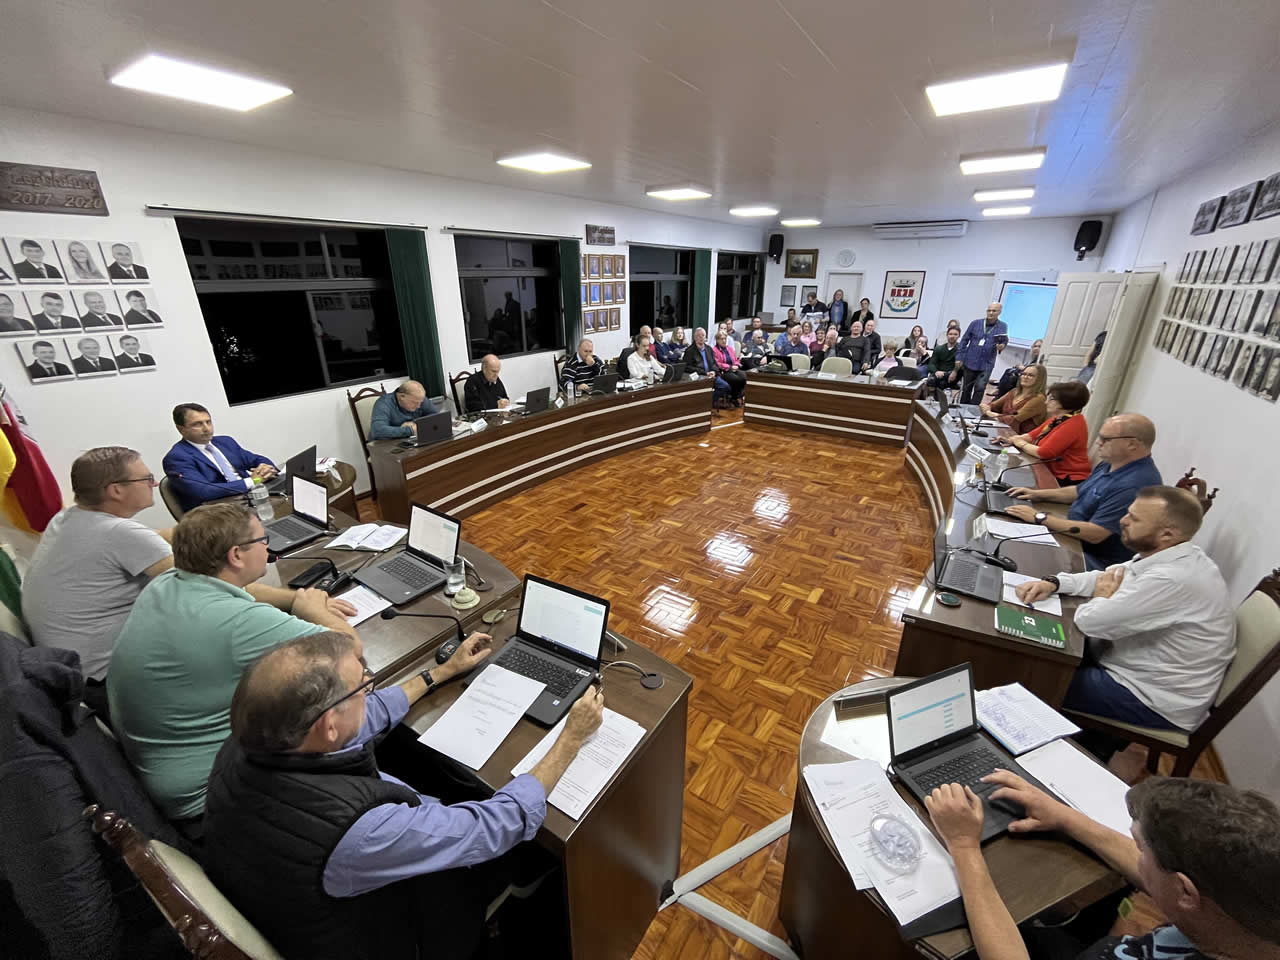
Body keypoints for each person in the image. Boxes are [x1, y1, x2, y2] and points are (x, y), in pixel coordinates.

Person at [202, 632, 605, 960]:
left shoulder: (257, 739)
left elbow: (364, 717)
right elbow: (497, 824)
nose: (370, 686)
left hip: (289, 900)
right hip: (391, 933)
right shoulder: (357, 832)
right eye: (362, 684)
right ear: (328, 725)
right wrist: (570, 739)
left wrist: (441, 672)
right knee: (527, 844)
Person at [109, 503, 359, 832]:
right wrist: (312, 607)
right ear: (236, 555)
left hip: (158, 768)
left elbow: (244, 590)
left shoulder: (168, 582)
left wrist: (294, 598)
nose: (267, 547)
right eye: (263, 540)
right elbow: (347, 648)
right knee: (332, 710)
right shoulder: (237, 622)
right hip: (207, 800)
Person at [925, 773, 1280, 960]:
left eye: (1141, 847)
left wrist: (963, 845)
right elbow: (1167, 876)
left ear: (1186, 892)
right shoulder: (1248, 902)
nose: (1135, 852)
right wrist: (1065, 817)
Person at [1014, 486, 1233, 743]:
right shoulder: (1170, 553)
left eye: (1134, 518)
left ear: (1167, 534)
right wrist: (1055, 583)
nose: (1122, 521)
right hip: (1130, 666)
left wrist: (1102, 597)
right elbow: (1107, 577)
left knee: (1030, 676)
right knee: (1034, 656)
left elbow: (1090, 622)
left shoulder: (1173, 579)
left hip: (1150, 698)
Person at [23, 446, 173, 719]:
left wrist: (200, 526)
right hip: (108, 684)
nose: (153, 484)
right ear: (116, 490)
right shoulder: (119, 532)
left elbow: (151, 539)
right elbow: (206, 581)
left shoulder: (68, 517)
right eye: (147, 478)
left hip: (68, 674)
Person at [1004, 410, 1162, 570]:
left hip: (1093, 560)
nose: (1098, 442)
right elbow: (1080, 491)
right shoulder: (1112, 462)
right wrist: (1036, 494)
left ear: (1132, 444)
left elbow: (1096, 534)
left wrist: (1039, 517)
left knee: (1018, 555)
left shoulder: (1134, 484)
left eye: (1105, 439)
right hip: (1072, 535)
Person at [162, 402, 278, 511]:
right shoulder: (177, 458)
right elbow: (204, 491)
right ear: (181, 429)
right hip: (218, 510)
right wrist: (253, 481)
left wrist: (266, 469)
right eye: (197, 424)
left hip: (251, 498)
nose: (206, 428)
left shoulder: (225, 442)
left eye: (208, 422)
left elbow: (256, 459)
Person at [956, 303, 1009, 405]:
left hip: (987, 363)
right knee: (966, 389)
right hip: (970, 361)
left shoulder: (1003, 326)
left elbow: (1004, 341)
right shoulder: (975, 323)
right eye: (989, 310)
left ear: (999, 312)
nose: (991, 313)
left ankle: (974, 409)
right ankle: (963, 408)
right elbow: (964, 340)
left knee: (980, 388)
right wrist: (959, 357)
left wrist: (1002, 346)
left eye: (994, 311)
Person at [981, 364, 1047, 432]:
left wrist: (990, 413)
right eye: (1023, 374)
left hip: (1019, 435)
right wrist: (987, 408)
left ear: (1039, 379)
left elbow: (1014, 419)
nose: (1025, 377)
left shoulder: (1039, 399)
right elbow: (993, 405)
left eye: (1030, 375)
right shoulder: (1014, 391)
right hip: (1002, 430)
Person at [369, 380, 443, 440]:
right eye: (414, 403)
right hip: (386, 445)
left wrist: (415, 423)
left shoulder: (418, 398)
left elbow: (435, 417)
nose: (418, 406)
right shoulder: (383, 404)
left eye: (421, 402)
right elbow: (377, 430)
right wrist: (410, 430)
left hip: (410, 441)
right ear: (402, 396)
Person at [711, 329, 746, 404]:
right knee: (736, 379)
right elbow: (718, 363)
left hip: (733, 369)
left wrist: (736, 365)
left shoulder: (729, 348)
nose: (724, 341)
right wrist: (730, 367)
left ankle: (737, 395)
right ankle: (734, 398)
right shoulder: (714, 350)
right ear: (717, 340)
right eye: (721, 339)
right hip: (723, 371)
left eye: (725, 339)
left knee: (744, 377)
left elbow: (736, 359)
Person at [926, 325, 962, 398]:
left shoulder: (961, 349)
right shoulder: (939, 349)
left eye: (955, 334)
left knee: (942, 383)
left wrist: (949, 373)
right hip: (938, 373)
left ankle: (939, 401)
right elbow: (931, 364)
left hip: (952, 375)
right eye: (950, 334)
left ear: (959, 336)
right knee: (931, 380)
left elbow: (960, 365)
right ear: (947, 335)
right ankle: (931, 399)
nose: (952, 336)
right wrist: (936, 371)